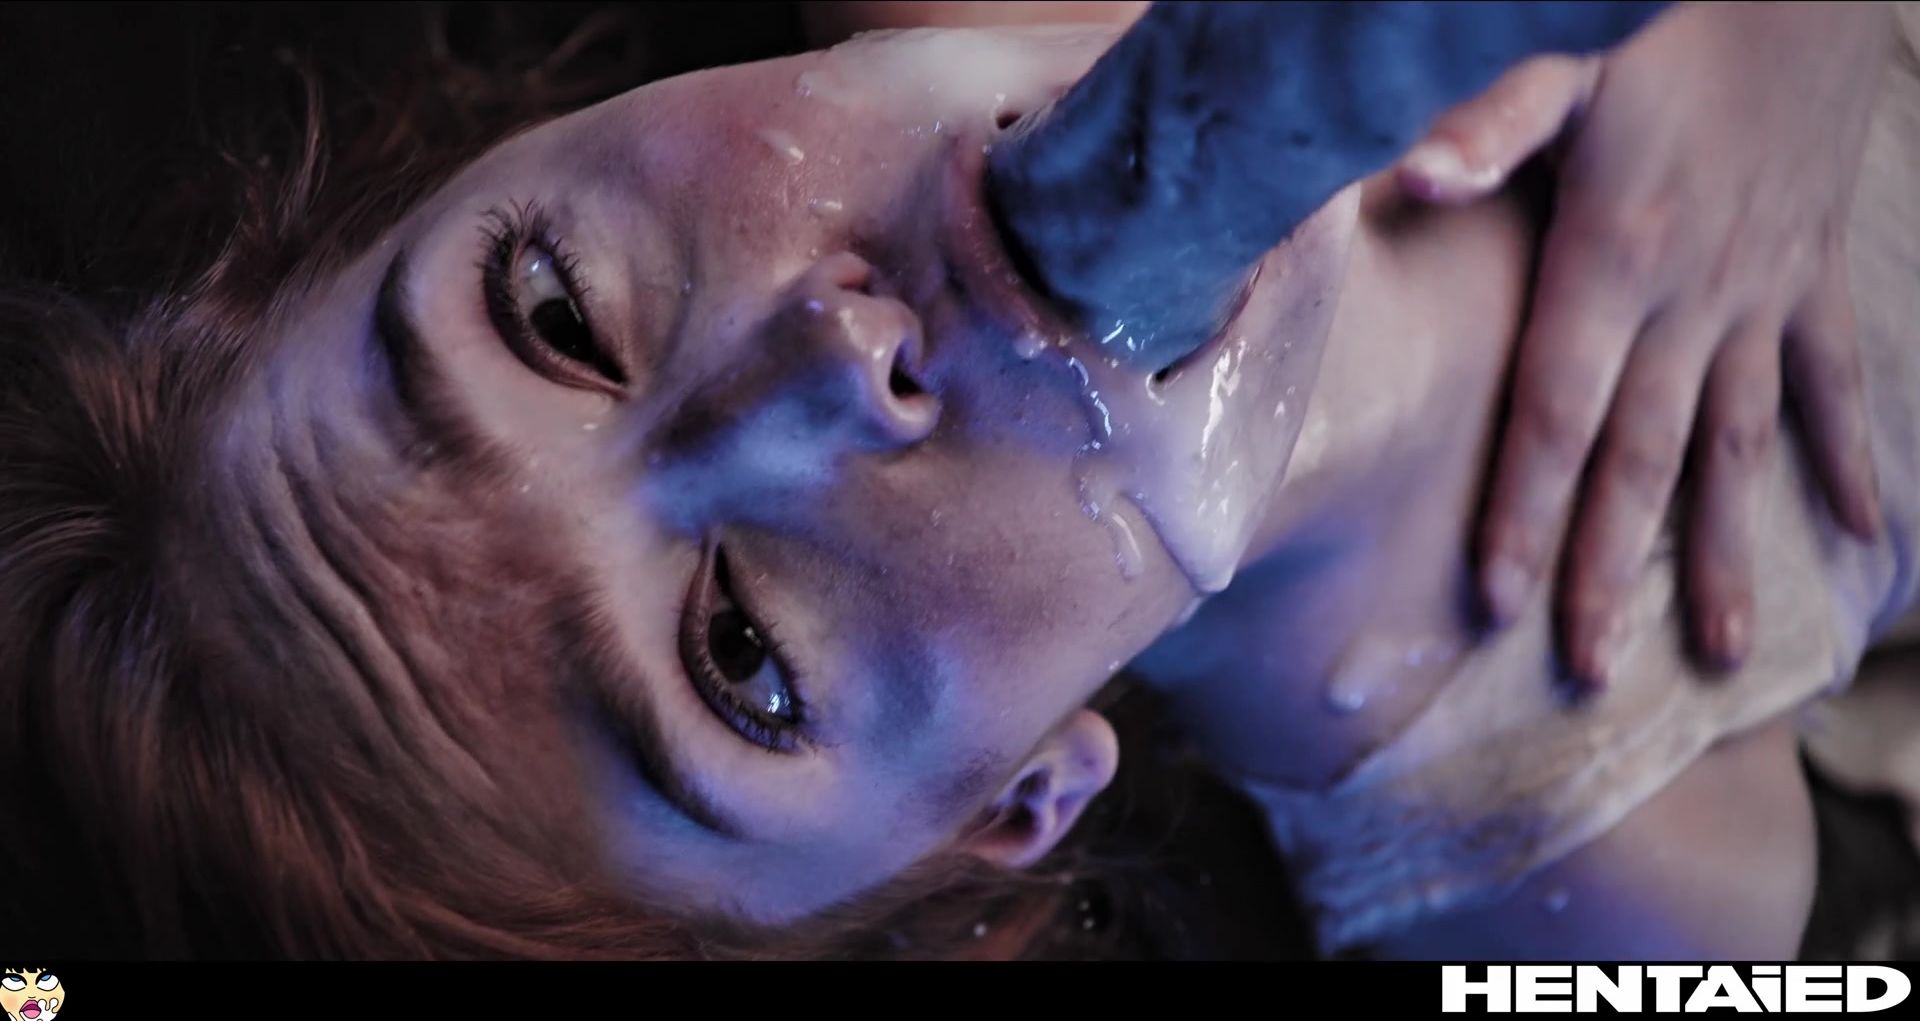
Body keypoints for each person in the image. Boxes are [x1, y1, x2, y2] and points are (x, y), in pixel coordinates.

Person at [0, 1, 1909, 959]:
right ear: (1013, 798)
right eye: (744, 655)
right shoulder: (1587, 849)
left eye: (554, 310)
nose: (836, 361)